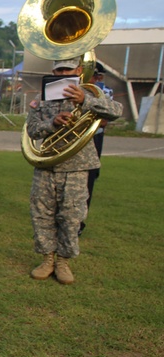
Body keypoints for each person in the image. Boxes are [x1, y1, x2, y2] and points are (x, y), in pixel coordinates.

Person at [27, 57, 122, 284]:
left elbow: (116, 111)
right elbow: (32, 129)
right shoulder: (43, 97)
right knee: (42, 213)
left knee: (71, 216)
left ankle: (63, 262)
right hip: (48, 164)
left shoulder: (91, 93)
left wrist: (86, 101)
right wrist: (52, 123)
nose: (62, 74)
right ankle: (47, 258)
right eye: (58, 70)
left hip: (78, 166)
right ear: (53, 71)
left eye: (67, 70)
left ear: (78, 70)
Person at [80, 62, 112, 236]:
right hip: (72, 138)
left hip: (93, 137)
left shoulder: (102, 93)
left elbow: (106, 119)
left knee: (88, 180)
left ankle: (79, 221)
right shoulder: (70, 89)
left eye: (90, 75)